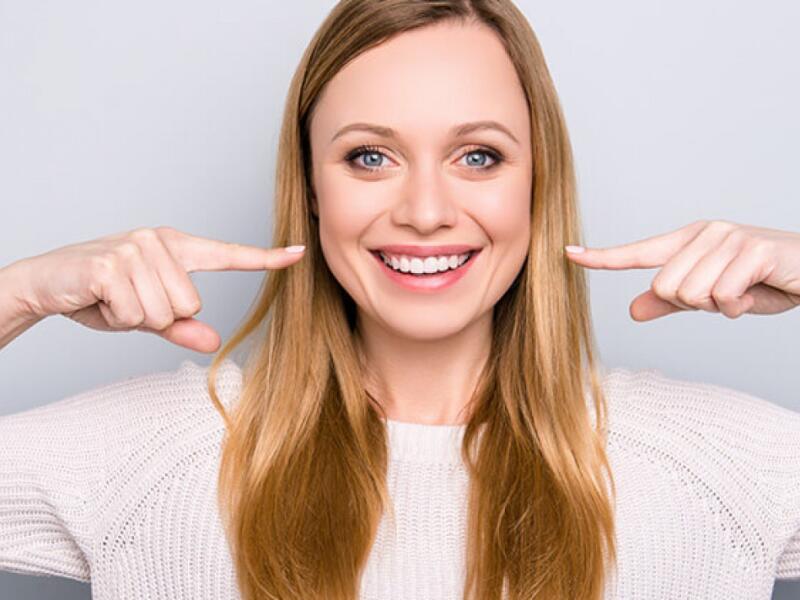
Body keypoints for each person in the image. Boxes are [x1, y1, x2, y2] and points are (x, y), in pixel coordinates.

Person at [1, 1, 799, 599]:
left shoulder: (715, 465)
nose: (424, 210)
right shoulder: (150, 456)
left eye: (479, 156)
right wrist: (22, 292)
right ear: (311, 189)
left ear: (537, 183)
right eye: (371, 156)